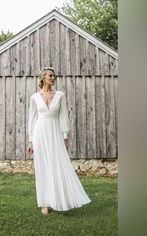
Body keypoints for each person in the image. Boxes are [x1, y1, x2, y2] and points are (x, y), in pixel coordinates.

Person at [27, 67, 91, 215]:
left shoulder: (60, 95)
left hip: (55, 133)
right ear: (43, 77)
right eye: (50, 75)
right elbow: (32, 119)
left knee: (57, 165)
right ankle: (45, 203)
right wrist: (31, 141)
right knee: (42, 166)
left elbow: (63, 116)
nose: (53, 78)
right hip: (40, 134)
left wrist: (65, 135)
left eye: (54, 76)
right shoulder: (34, 97)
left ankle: (58, 199)